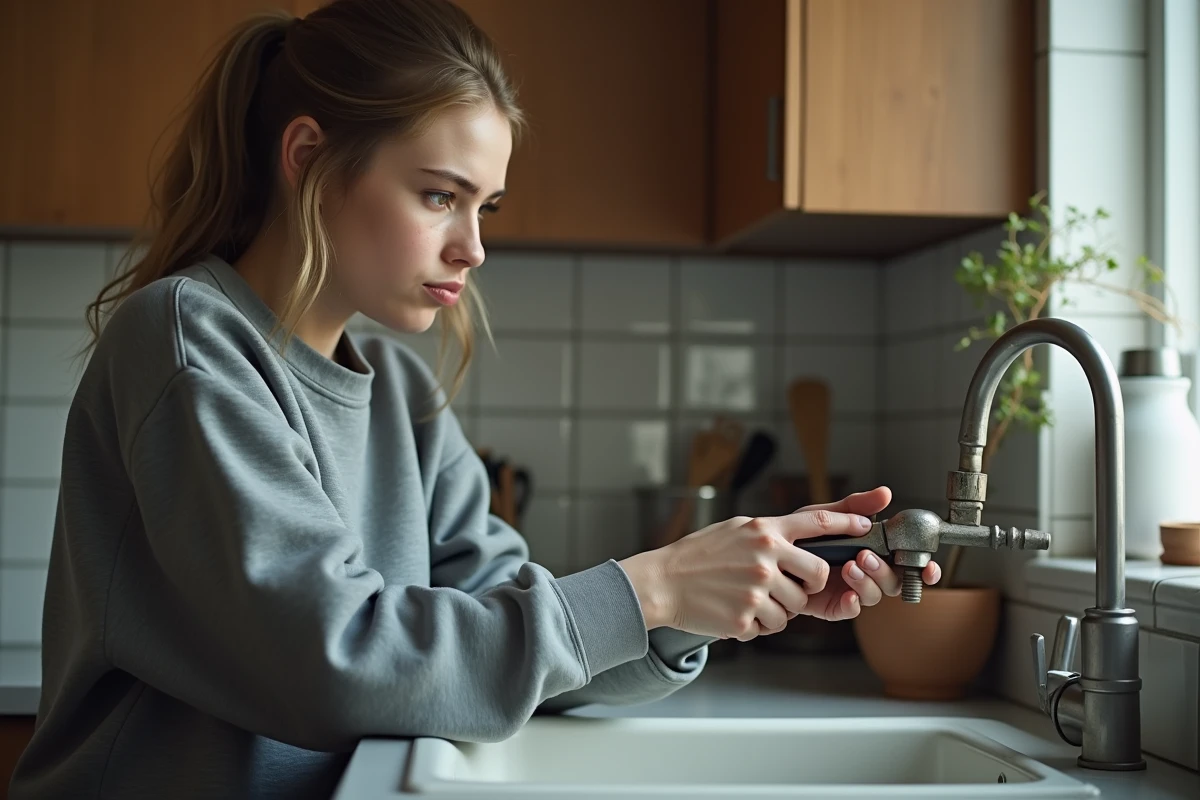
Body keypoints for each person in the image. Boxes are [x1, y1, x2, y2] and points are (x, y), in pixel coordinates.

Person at [8, 1, 940, 798]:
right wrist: (648, 584)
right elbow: (334, 659)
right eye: (438, 196)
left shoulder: (403, 400)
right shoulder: (186, 338)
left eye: (483, 207)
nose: (473, 248)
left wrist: (694, 604)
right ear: (307, 158)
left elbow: (501, 646)